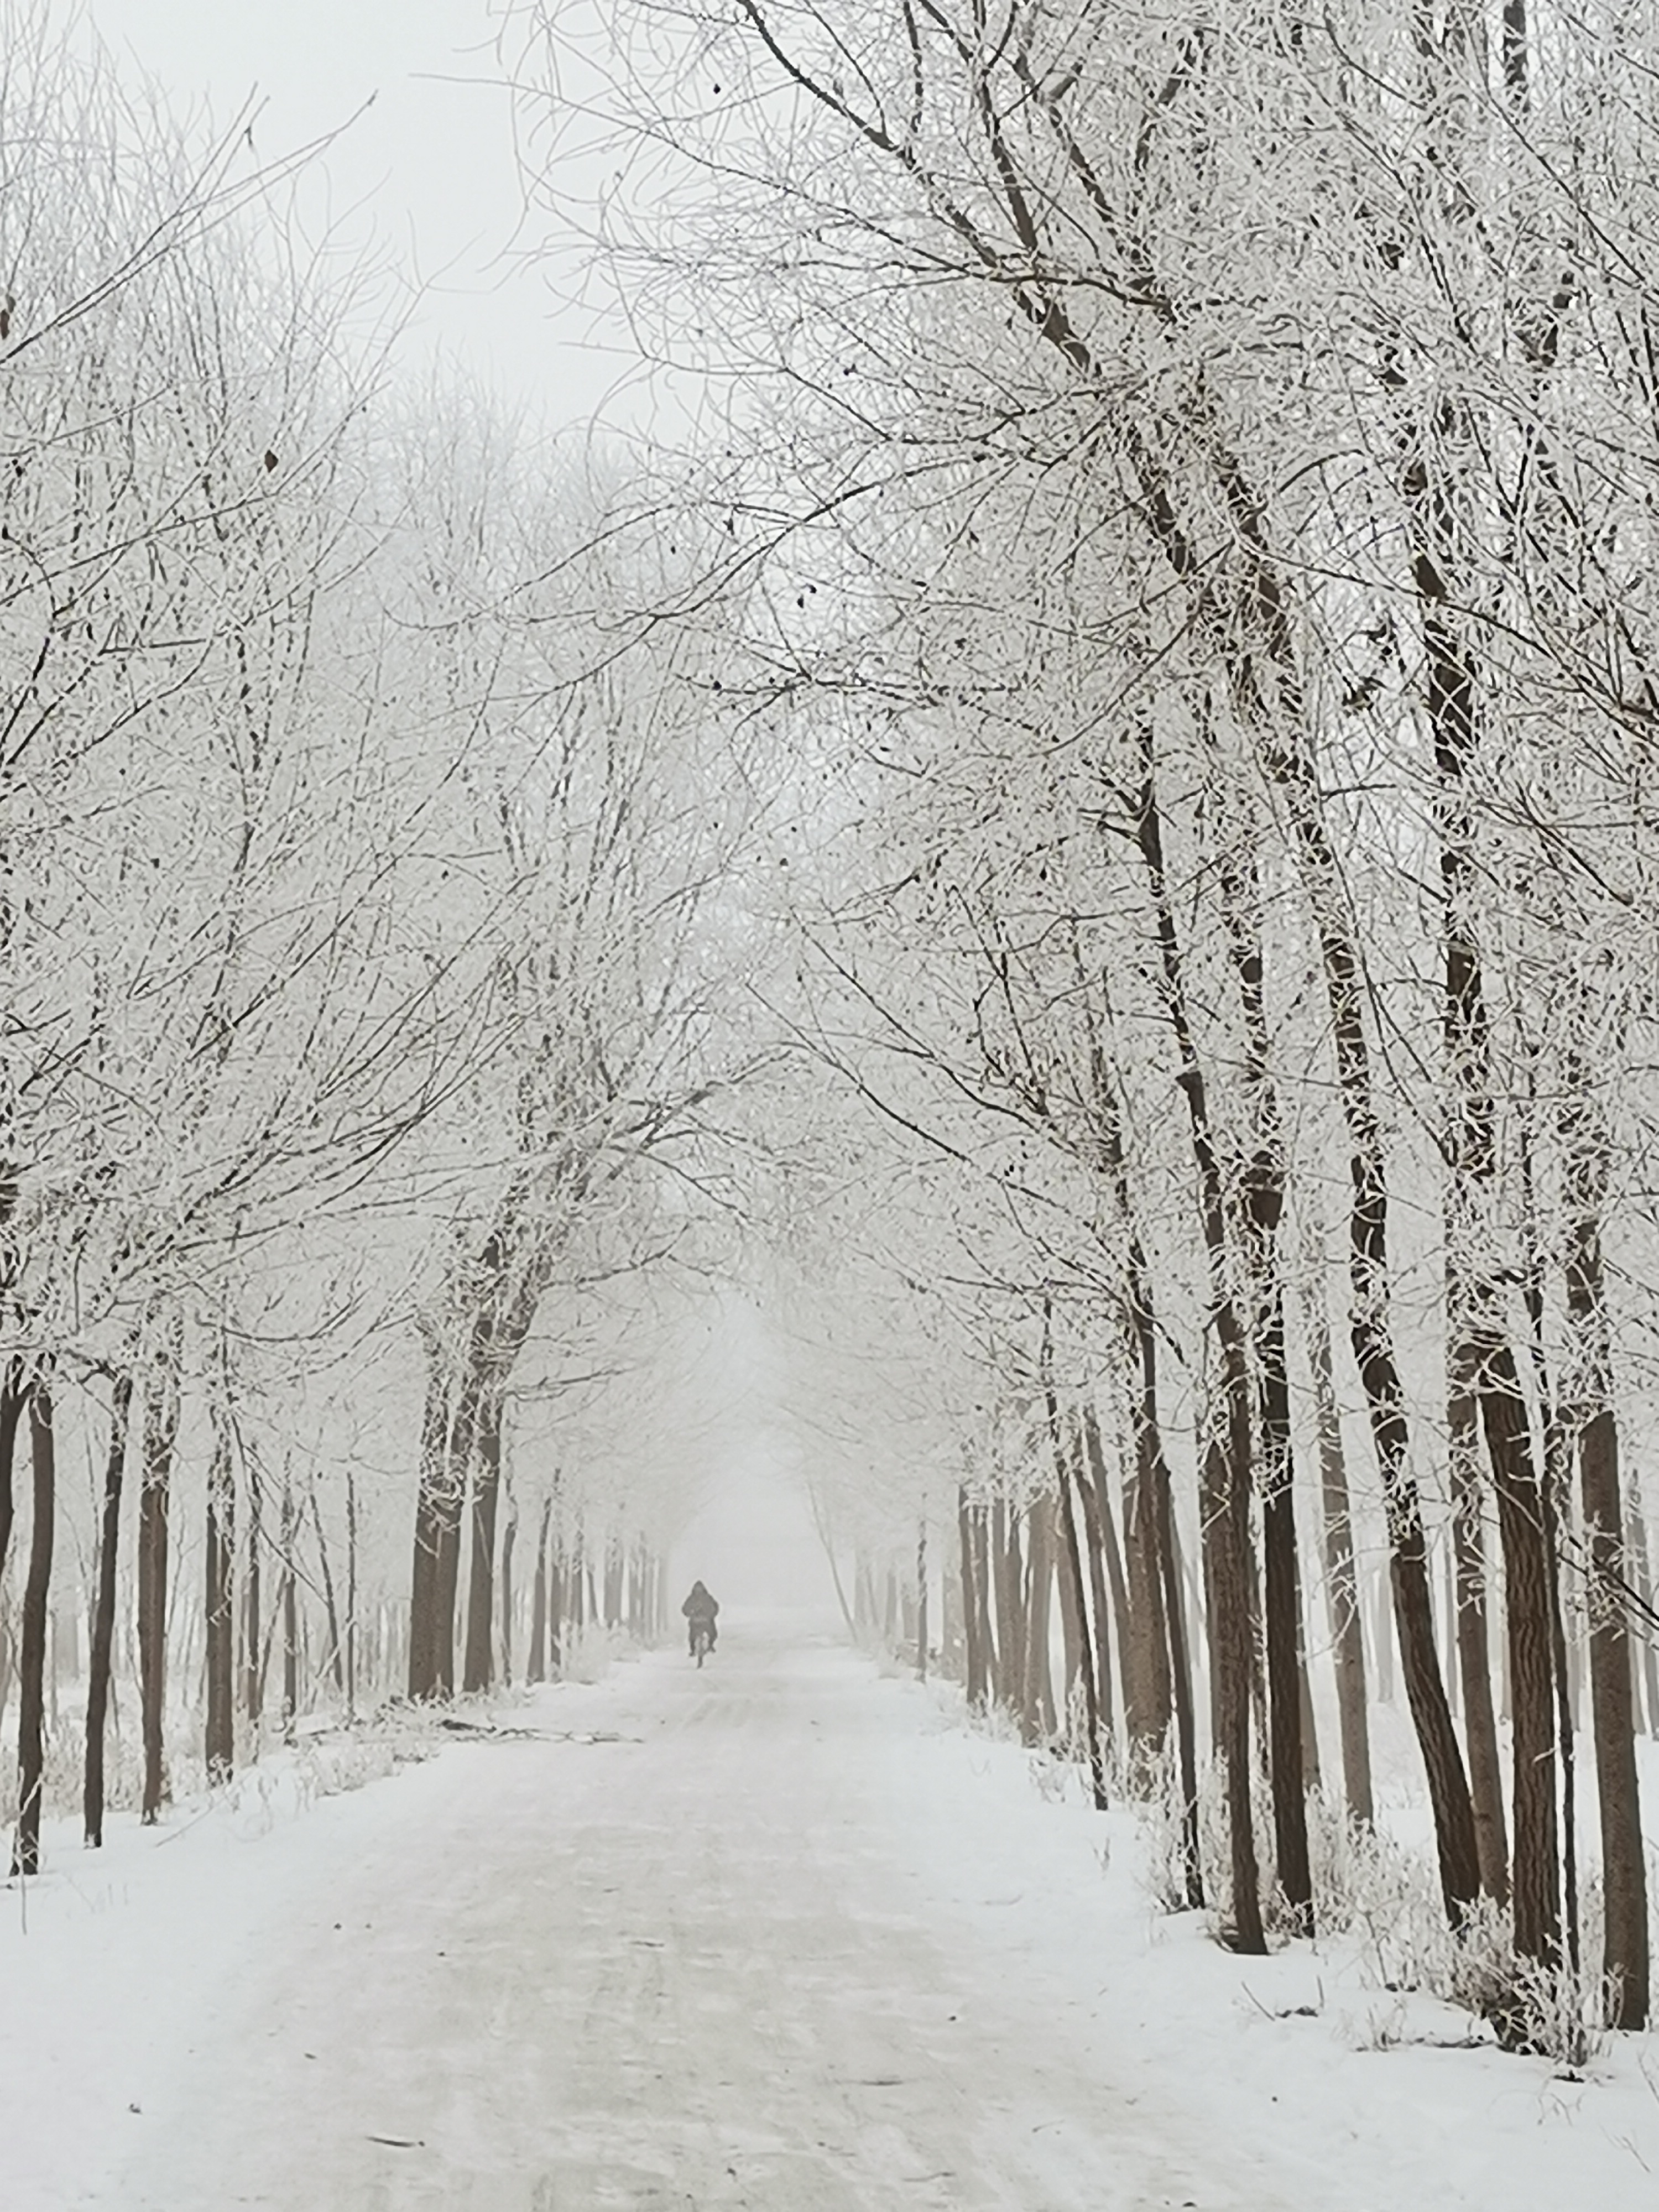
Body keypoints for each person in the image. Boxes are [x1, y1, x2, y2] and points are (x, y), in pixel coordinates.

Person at [681, 1579, 719, 1657]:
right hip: (703, 1621)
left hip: (701, 1621)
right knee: (711, 1634)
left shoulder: (693, 1598)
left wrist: (689, 1614)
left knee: (695, 1636)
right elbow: (715, 1607)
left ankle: (694, 1650)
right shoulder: (706, 1597)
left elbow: (685, 1609)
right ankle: (707, 1646)